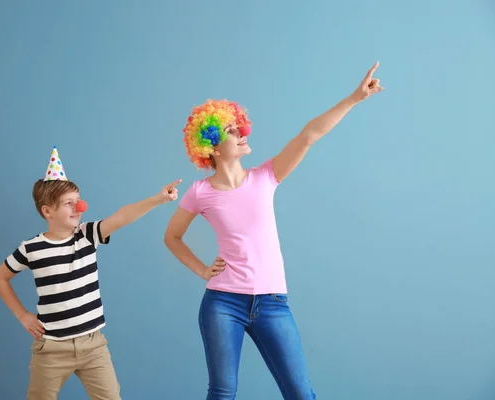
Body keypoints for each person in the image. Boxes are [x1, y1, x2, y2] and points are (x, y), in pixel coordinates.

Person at [164, 62, 383, 399]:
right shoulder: (199, 192)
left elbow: (308, 136)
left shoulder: (265, 176)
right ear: (212, 145)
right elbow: (172, 237)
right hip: (222, 302)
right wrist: (203, 270)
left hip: (273, 302)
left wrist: (354, 98)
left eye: (239, 126)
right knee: (222, 391)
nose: (241, 132)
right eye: (231, 130)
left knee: (299, 392)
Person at [0, 146, 181, 400]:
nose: (79, 207)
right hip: (52, 349)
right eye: (69, 203)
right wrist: (23, 315)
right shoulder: (31, 248)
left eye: (78, 200)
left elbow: (121, 217)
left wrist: (157, 199)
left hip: (93, 345)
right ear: (47, 211)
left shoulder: (87, 235)